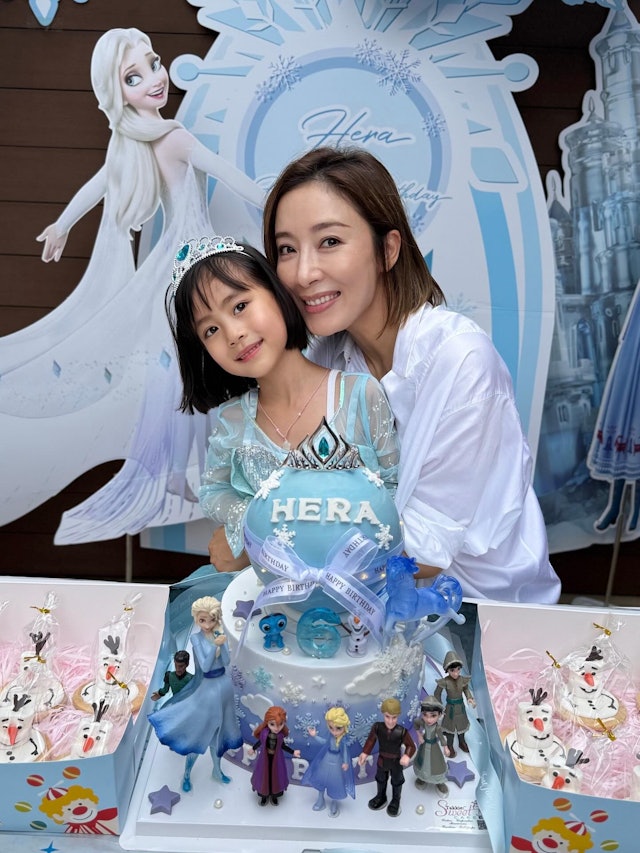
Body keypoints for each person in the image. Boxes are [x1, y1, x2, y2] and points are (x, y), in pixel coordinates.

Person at [261, 145, 561, 603]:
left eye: (330, 242)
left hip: (480, 611)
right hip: (355, 602)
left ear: (388, 249)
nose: (303, 273)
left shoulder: (461, 361)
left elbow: (426, 548)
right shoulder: (324, 357)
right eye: (287, 249)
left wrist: (264, 549)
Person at [0, 28, 263, 538]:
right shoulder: (166, 139)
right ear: (116, 92)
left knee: (178, 370)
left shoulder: (140, 141)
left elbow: (98, 186)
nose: (155, 79)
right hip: (195, 263)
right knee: (189, 368)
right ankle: (191, 471)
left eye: (154, 64)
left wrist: (63, 223)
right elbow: (228, 175)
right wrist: (278, 202)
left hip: (174, 265)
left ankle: (184, 470)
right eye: (134, 76)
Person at [167, 235, 398, 572]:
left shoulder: (359, 395)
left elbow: (393, 488)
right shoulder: (233, 420)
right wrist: (251, 521)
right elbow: (214, 491)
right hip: (264, 588)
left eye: (240, 306)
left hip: (358, 585)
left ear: (278, 293)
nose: (233, 334)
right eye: (211, 330)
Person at [148, 596, 241, 792]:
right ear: (196, 619)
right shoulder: (196, 639)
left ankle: (217, 770)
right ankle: (187, 774)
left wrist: (222, 644)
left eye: (212, 619)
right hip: (207, 690)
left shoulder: (219, 635)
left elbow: (226, 661)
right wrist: (215, 646)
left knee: (219, 735)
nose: (207, 625)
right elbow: (205, 666)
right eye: (202, 620)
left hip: (223, 686)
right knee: (200, 734)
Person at [358, 697, 415, 818]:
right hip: (382, 759)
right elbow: (370, 740)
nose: (390, 721)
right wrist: (365, 753)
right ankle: (381, 796)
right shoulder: (377, 727)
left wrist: (406, 755)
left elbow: (411, 746)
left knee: (397, 781)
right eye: (387, 717)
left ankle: (395, 800)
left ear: (398, 716)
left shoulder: (401, 731)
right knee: (380, 778)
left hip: (396, 762)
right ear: (383, 714)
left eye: (394, 717)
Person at [303, 706, 355, 816]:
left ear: (344, 727)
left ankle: (334, 802)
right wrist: (315, 736)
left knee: (335, 781)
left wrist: (346, 762)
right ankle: (320, 799)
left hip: (337, 762)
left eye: (338, 729)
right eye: (331, 728)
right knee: (321, 778)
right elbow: (323, 742)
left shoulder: (343, 740)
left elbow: (345, 752)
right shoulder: (330, 737)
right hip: (326, 759)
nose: (334, 732)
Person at [248, 706, 300, 806]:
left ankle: (274, 796)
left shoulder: (280, 736)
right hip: (265, 759)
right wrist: (253, 748)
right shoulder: (264, 733)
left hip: (277, 760)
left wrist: (293, 752)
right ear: (267, 722)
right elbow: (260, 742)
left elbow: (283, 746)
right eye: (272, 724)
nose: (276, 728)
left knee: (276, 777)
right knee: (264, 776)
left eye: (280, 724)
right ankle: (264, 796)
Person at [433, 650, 476, 757]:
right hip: (450, 708)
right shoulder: (445, 681)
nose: (456, 673)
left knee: (462, 726)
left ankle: (462, 742)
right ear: (447, 670)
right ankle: (450, 745)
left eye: (458, 670)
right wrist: (439, 706)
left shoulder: (462, 680)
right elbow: (437, 693)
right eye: (452, 670)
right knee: (450, 729)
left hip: (461, 708)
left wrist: (469, 698)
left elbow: (466, 689)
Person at [412, 696, 450, 796]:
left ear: (439, 715)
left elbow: (441, 738)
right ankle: (422, 778)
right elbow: (415, 723)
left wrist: (445, 747)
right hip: (424, 745)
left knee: (436, 764)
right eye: (425, 715)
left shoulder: (437, 728)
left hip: (434, 747)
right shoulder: (422, 722)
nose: (428, 719)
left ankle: (439, 781)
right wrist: (419, 735)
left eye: (433, 716)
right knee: (421, 761)